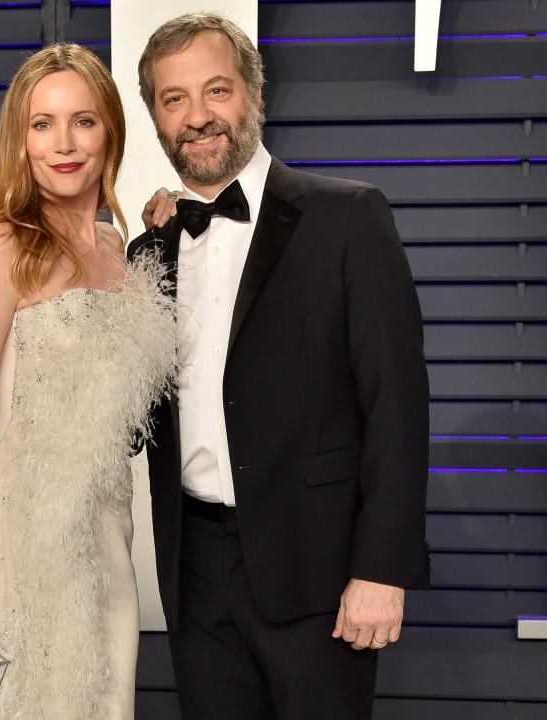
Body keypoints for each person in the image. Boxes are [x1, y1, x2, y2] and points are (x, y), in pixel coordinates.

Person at [126, 12, 430, 720]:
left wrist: (381, 568)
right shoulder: (149, 253)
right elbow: (131, 413)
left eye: (217, 91)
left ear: (255, 96)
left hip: (319, 568)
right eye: (175, 100)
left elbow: (397, 402)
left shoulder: (349, 217)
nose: (198, 117)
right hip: (195, 571)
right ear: (157, 119)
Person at [0, 42, 177, 720]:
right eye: (42, 124)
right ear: (20, 140)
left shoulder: (123, 250)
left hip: (104, 536)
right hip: (17, 532)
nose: (64, 143)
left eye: (83, 121)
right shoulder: (2, 247)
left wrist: (174, 235)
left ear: (110, 131)